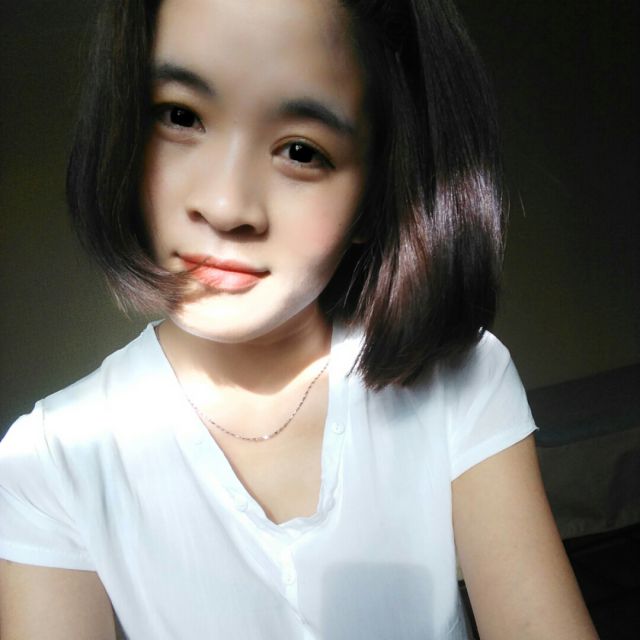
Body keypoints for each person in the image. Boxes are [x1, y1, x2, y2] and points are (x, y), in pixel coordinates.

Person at [0, 0, 599, 638]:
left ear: (374, 198)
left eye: (300, 151)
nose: (226, 206)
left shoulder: (463, 379)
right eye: (181, 116)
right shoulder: (49, 461)